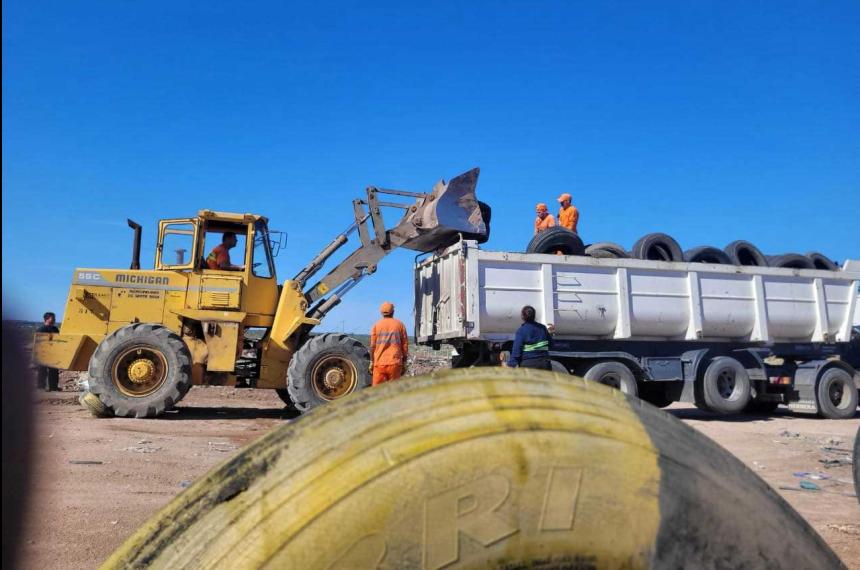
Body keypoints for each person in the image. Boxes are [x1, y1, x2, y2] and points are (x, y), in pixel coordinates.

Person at [369, 302, 409, 386]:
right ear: (393, 312)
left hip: (379, 364)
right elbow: (405, 345)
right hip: (395, 363)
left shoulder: (376, 325)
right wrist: (404, 361)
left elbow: (372, 346)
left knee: (376, 392)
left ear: (381, 313)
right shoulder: (400, 325)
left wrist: (372, 361)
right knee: (394, 391)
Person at [506, 305, 552, 370]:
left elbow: (516, 351)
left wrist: (511, 365)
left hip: (528, 365)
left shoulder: (521, 331)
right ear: (534, 316)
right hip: (544, 363)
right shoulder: (543, 328)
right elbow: (550, 344)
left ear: (522, 316)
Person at [36, 312, 60, 392]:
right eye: (53, 318)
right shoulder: (41, 329)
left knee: (54, 370)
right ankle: (41, 387)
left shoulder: (55, 329)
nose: (54, 320)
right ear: (47, 318)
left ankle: (53, 387)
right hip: (44, 353)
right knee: (42, 370)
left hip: (53, 353)